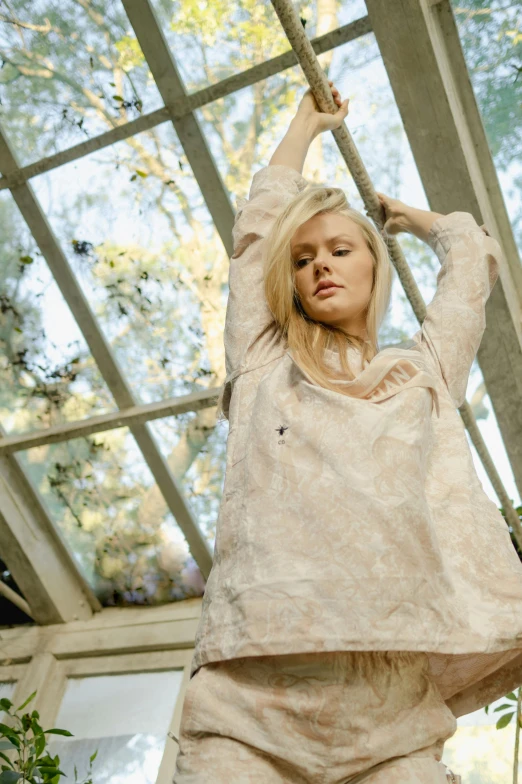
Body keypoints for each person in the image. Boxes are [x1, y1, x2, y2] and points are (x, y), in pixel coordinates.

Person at [172, 82, 522, 784]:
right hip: (251, 698)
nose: (320, 265)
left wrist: (407, 217)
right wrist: (306, 124)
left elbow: (473, 260)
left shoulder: (422, 374)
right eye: (302, 260)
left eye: (338, 249)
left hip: (389, 707)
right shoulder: (266, 360)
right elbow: (254, 236)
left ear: (373, 264)